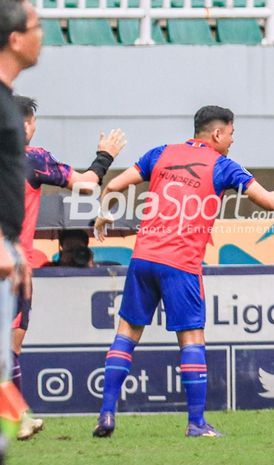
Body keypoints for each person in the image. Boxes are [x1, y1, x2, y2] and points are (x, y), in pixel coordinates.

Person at [91, 105, 274, 438]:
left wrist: (104, 214)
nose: (232, 142)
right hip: (181, 264)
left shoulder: (160, 153)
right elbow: (270, 203)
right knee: (191, 340)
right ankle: (196, 423)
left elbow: (115, 184)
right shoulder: (223, 165)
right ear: (217, 133)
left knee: (126, 335)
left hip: (143, 257)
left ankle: (106, 414)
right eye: (231, 134)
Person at [10, 95, 126, 439]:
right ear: (26, 123)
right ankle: (18, 418)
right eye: (31, 122)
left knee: (8, 348)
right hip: (11, 267)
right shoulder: (32, 159)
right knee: (10, 347)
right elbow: (87, 183)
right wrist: (106, 155)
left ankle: (19, 417)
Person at [0, 0, 42, 449]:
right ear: (15, 39)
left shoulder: (7, 106)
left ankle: (18, 418)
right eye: (37, 27)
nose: (43, 35)